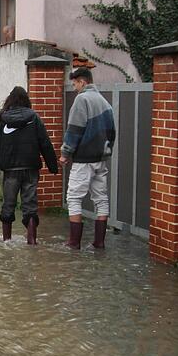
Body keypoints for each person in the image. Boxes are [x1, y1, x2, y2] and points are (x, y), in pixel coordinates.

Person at [0, 86, 59, 244]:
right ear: (27, 101)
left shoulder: (2, 119)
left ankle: (7, 241)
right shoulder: (34, 118)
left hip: (11, 171)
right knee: (30, 206)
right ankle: (32, 241)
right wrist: (53, 166)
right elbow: (45, 143)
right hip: (31, 169)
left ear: (9, 101)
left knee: (8, 204)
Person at [60, 67, 116, 249]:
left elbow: (74, 129)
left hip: (84, 159)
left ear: (83, 82)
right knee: (101, 198)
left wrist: (65, 153)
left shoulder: (82, 99)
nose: (74, 87)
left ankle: (73, 242)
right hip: (101, 158)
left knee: (74, 197)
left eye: (75, 83)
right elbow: (112, 133)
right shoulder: (105, 103)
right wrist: (106, 152)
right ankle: (99, 243)